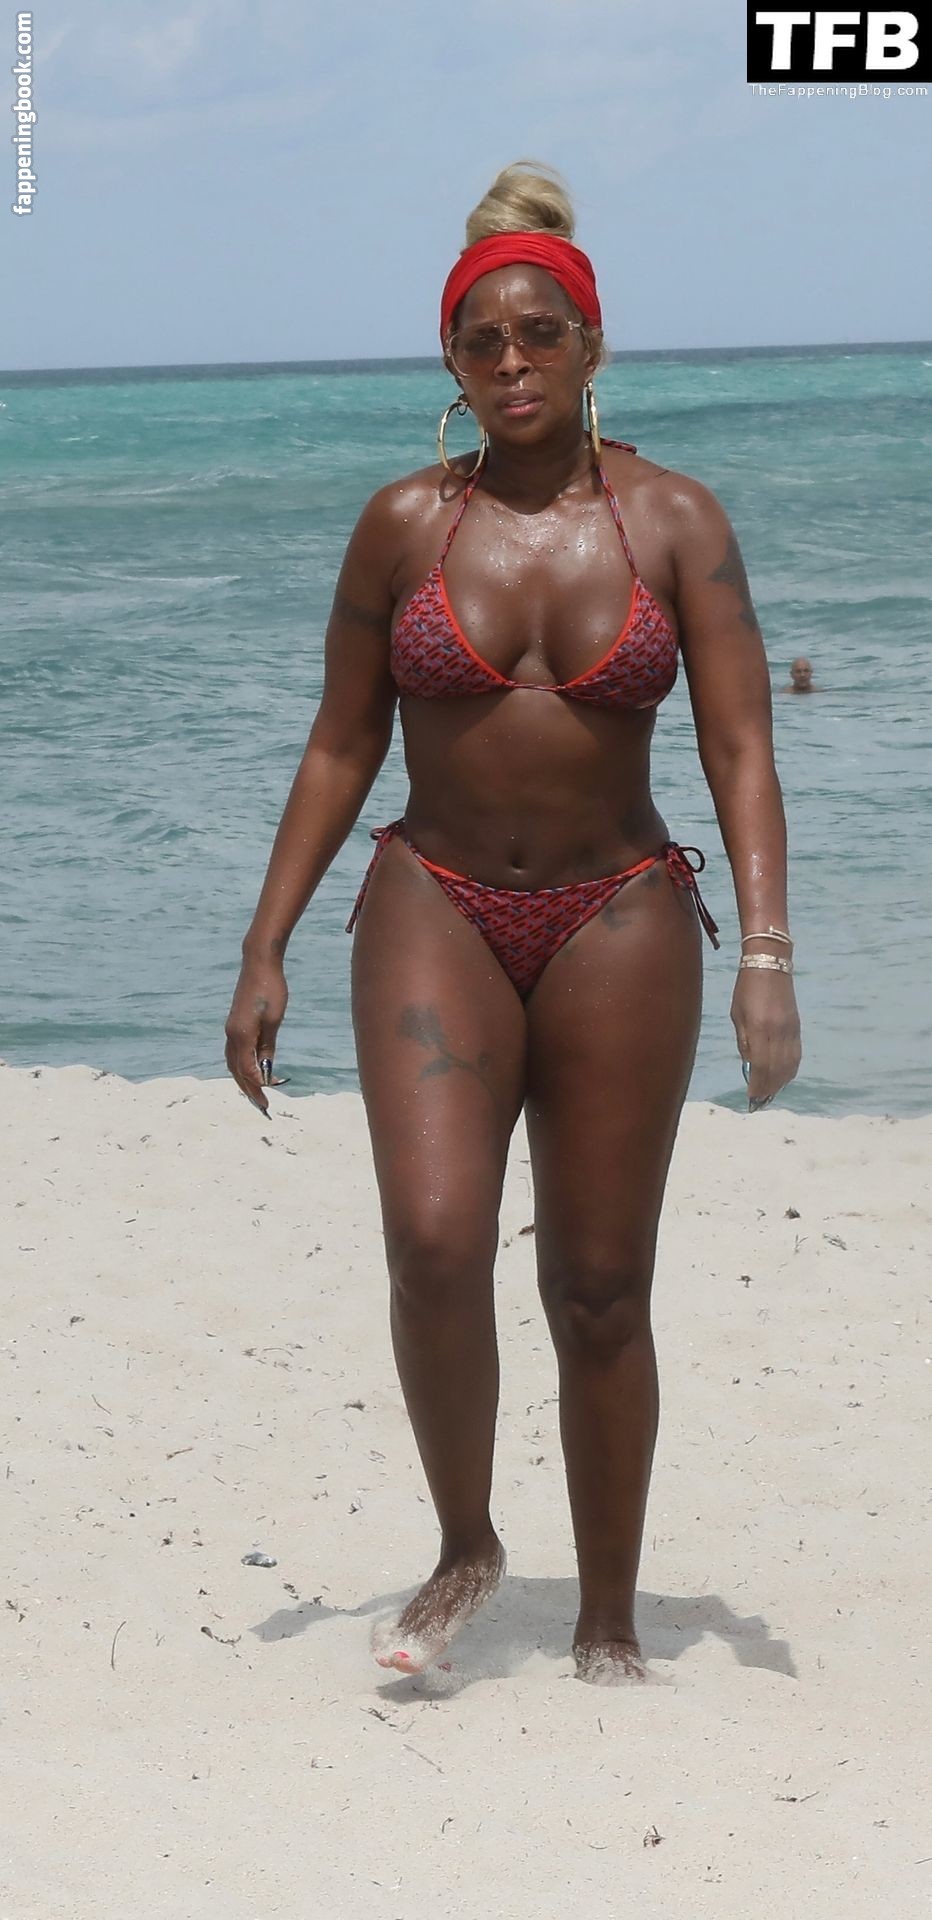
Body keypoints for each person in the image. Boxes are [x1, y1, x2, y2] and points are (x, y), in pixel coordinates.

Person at [224, 160, 802, 1686]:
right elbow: (341, 743)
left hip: (622, 912)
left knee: (599, 1286)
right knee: (432, 1244)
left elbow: (741, 745)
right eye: (483, 343)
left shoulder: (675, 523)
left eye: (542, 335)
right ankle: (467, 1542)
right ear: (452, 362)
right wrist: (266, 944)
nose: (514, 363)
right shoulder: (402, 528)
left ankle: (609, 1618)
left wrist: (765, 955)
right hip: (438, 901)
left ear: (593, 344)